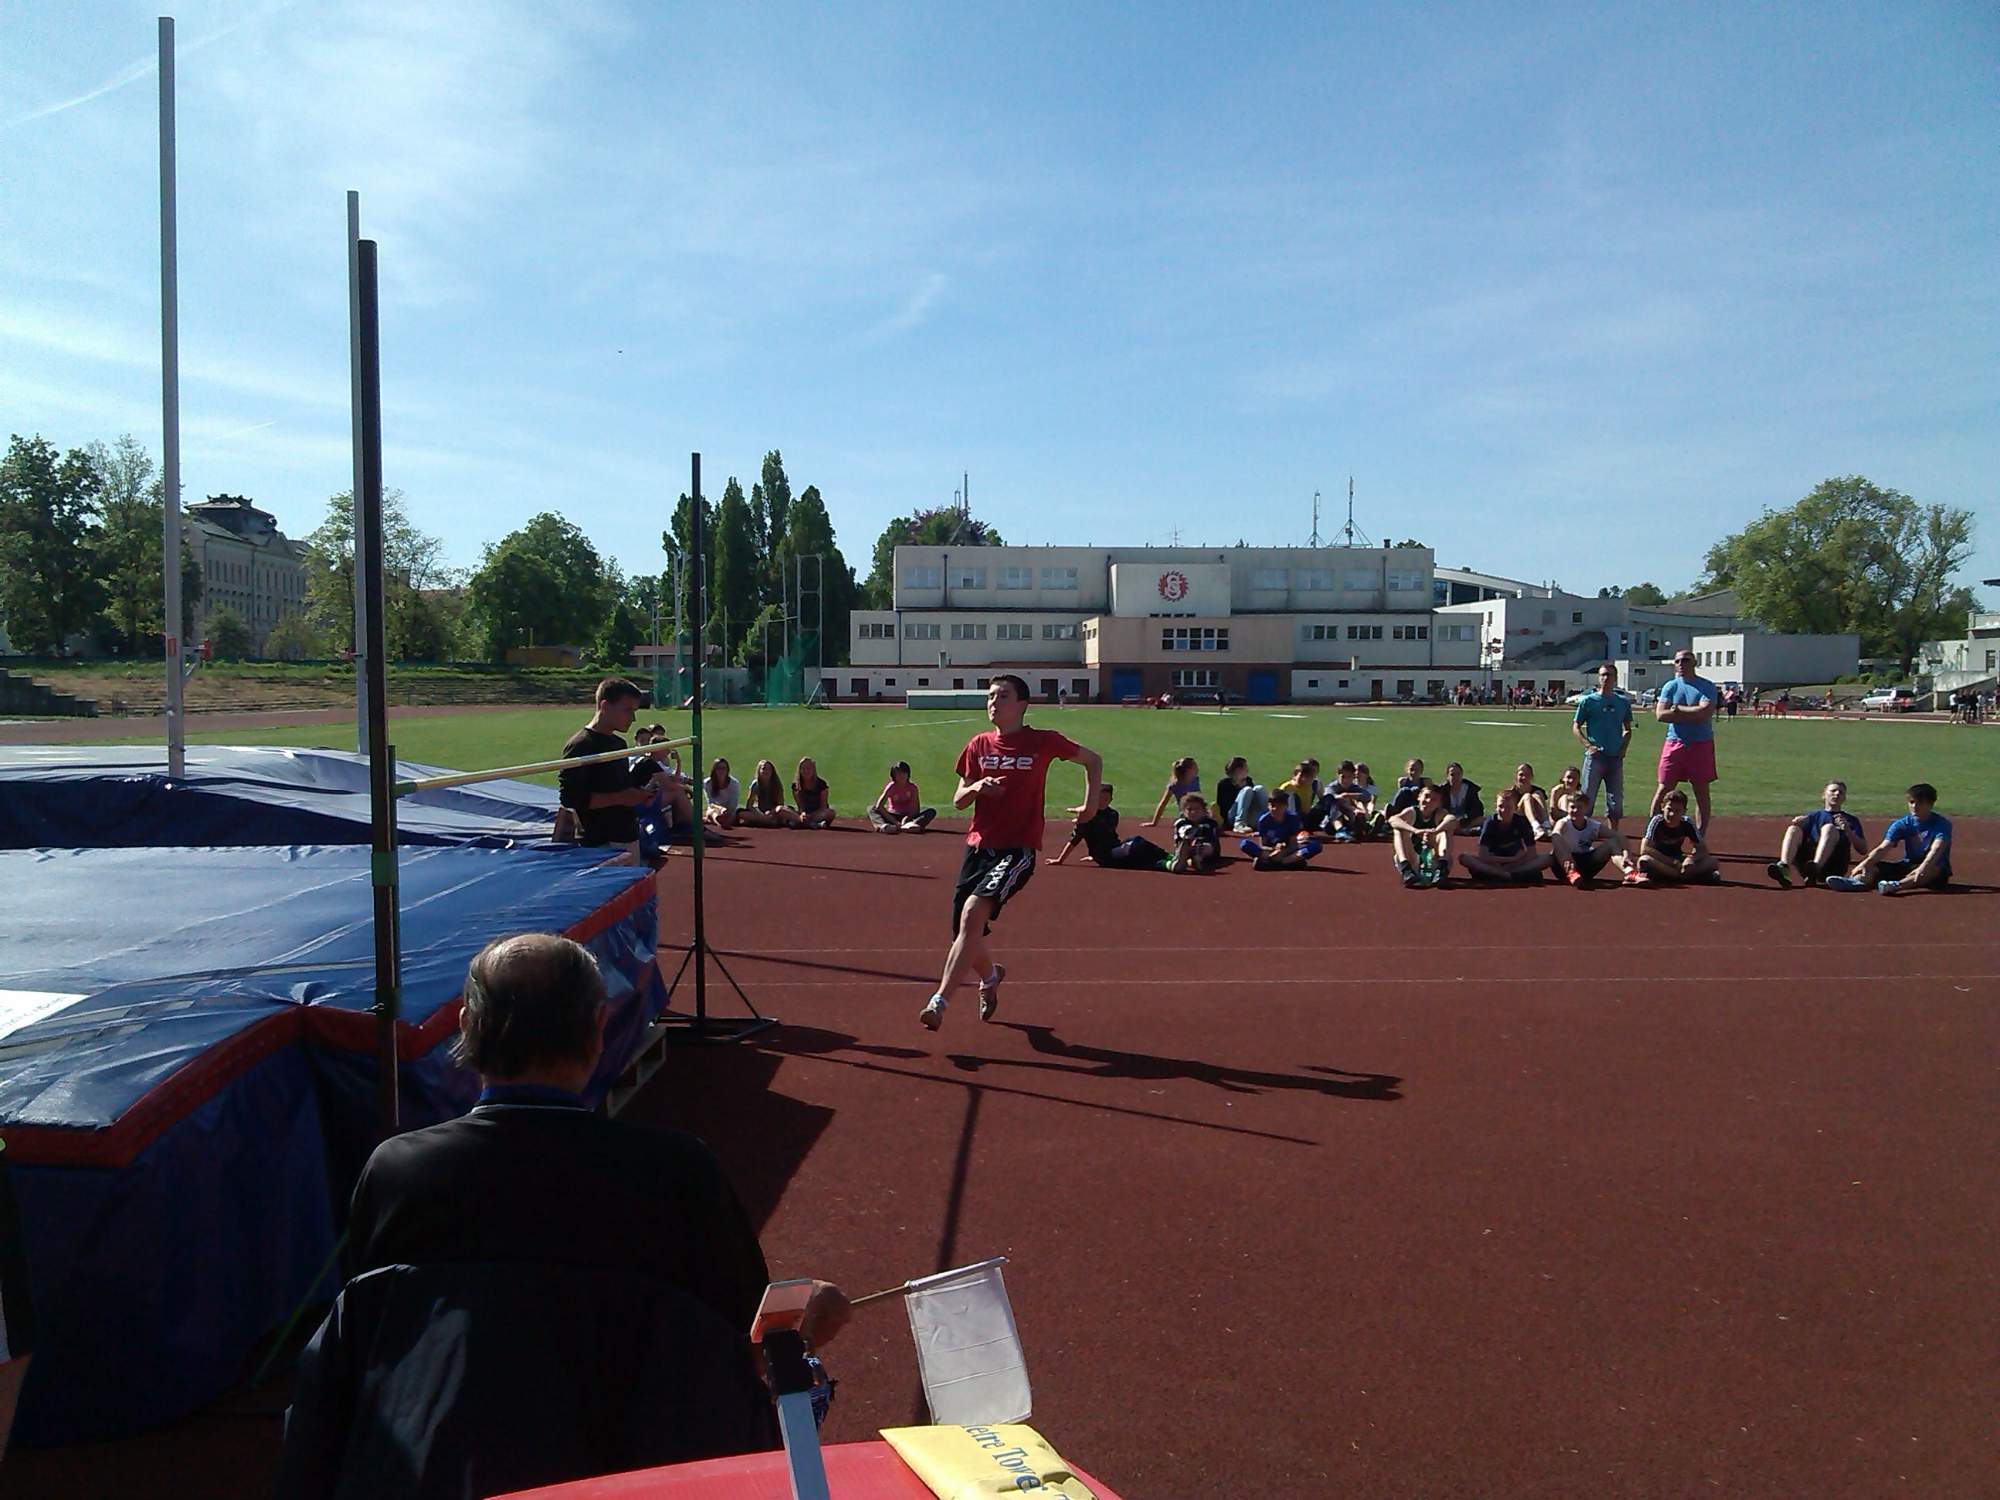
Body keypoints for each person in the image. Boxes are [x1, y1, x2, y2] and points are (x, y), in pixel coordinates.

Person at [921, 675, 1102, 1030]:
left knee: (973, 914)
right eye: (990, 696)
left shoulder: (1043, 741)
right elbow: (958, 801)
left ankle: (938, 1002)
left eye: (1002, 696)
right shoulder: (978, 745)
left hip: (1017, 849)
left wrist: (1091, 806)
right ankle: (990, 977)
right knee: (965, 934)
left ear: (1022, 704)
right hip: (978, 847)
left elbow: (1093, 761)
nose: (993, 702)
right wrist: (977, 786)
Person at [557, 677, 667, 857]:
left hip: (627, 836)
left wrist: (640, 795)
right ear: (605, 706)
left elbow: (621, 786)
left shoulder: (618, 743)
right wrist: (622, 798)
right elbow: (570, 799)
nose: (633, 718)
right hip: (600, 844)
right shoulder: (581, 745)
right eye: (627, 710)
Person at [1826, 783, 1953, 895]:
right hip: (1908, 865)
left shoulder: (1941, 824)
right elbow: (1883, 848)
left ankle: (1896, 886)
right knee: (1872, 867)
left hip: (1934, 867)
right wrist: (1864, 864)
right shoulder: (1902, 823)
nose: (1914, 806)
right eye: (1911, 802)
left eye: (1920, 803)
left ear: (1930, 804)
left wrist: (1922, 867)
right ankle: (1856, 882)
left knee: (1930, 871)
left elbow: (1937, 849)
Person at [1651, 649, 1720, 836]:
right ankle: (1653, 833)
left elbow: (1704, 713)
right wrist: (1690, 712)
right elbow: (1660, 715)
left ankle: (1699, 836)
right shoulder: (1670, 686)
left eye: (1686, 660)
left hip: (1700, 744)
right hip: (1674, 742)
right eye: (1678, 661)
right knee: (1663, 788)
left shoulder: (1706, 686)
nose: (1681, 664)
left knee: (1701, 791)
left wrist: (1677, 710)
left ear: (1694, 663)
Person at [1571, 664, 1634, 833]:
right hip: (1595, 758)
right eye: (1603, 675)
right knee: (1587, 798)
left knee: (1615, 800)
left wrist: (1623, 748)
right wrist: (1588, 745)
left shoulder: (1622, 703)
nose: (1606, 678)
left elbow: (1627, 729)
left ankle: (1613, 834)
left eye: (1609, 675)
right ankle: (1583, 833)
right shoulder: (1588, 701)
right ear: (1599, 678)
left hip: (1615, 758)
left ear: (1615, 678)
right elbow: (1576, 726)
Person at [1048, 784, 1168, 870]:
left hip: (1114, 849)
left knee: (1137, 846)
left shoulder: (1113, 814)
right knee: (1137, 846)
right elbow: (1074, 839)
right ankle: (1166, 862)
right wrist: (1060, 860)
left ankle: (1168, 857)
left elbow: (1109, 836)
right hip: (1106, 855)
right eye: (1100, 798)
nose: (1102, 802)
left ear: (1111, 799)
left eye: (1106, 799)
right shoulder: (1087, 817)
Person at [1768, 781, 1865, 887]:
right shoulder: (1811, 816)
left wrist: (1848, 830)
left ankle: (1816, 869)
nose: (1837, 794)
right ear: (1824, 795)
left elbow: (1863, 849)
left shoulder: (1850, 819)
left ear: (1844, 798)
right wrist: (1797, 824)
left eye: (1840, 792)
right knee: (1793, 829)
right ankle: (1784, 867)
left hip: (1835, 864)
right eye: (1833, 791)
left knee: (1829, 828)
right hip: (1808, 864)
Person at [1459, 788, 1553, 882]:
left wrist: (1513, 863)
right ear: (1495, 807)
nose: (1504, 810)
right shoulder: (1490, 823)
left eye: (1509, 807)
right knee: (1464, 858)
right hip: (1494, 862)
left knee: (1548, 858)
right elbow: (1483, 856)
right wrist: (1512, 859)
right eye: (1501, 806)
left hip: (1516, 864)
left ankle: (1501, 874)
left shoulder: (1522, 822)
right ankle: (1510, 875)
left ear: (1515, 808)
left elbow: (1531, 854)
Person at [1634, 788, 1719, 884]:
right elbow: (1645, 849)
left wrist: (1691, 859)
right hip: (1661, 861)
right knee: (1644, 860)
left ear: (1684, 811)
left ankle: (1674, 875)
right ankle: (1687, 876)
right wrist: (1672, 862)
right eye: (1669, 809)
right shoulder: (1656, 821)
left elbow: (1702, 849)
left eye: (1677, 811)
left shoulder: (1687, 823)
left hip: (1678, 861)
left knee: (1713, 861)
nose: (1672, 814)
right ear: (1662, 807)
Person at [1549, 792, 1634, 886]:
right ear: (1567, 808)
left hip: (1586, 865)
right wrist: (1567, 859)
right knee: (1555, 844)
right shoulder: (1563, 823)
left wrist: (1627, 854)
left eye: (1579, 807)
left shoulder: (1592, 825)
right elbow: (1555, 835)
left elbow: (1619, 836)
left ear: (1586, 808)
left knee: (1612, 843)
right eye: (1572, 807)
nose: (1575, 810)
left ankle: (1630, 872)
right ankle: (1571, 872)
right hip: (1564, 866)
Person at [1387, 780, 1458, 888]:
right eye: (1426, 796)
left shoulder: (1440, 814)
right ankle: (1406, 869)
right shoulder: (1412, 812)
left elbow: (1452, 820)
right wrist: (1415, 831)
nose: (1428, 801)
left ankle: (1441, 869)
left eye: (1434, 799)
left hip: (1434, 858)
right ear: (1419, 797)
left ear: (1439, 803)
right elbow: (1393, 819)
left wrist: (1435, 831)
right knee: (1399, 829)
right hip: (1412, 860)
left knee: (1445, 830)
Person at [1238, 787, 1320, 869]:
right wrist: (1274, 849)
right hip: (1271, 850)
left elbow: (1293, 844)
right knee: (1244, 844)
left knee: (1315, 846)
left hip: (1287, 851)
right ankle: (1286, 862)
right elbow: (1263, 845)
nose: (1275, 809)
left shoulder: (1293, 819)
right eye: (1272, 806)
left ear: (1286, 806)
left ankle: (1276, 862)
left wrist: (1283, 850)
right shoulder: (1263, 821)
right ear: (1268, 806)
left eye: (1279, 806)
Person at [869, 761, 936, 833]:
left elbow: (916, 809)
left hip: (909, 816)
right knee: (872, 809)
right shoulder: (891, 787)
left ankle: (912, 825)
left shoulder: (913, 787)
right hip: (893, 815)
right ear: (893, 775)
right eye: (898, 773)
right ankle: (884, 826)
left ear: (908, 774)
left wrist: (906, 819)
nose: (901, 775)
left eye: (903, 772)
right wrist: (895, 822)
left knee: (931, 812)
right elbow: (879, 806)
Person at [1170, 792, 1222, 873]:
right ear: (1183, 811)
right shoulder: (1181, 823)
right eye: (1189, 809)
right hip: (1186, 847)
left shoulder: (1210, 822)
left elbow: (1207, 834)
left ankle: (1197, 859)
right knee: (1185, 843)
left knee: (1205, 846)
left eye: (1197, 809)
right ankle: (1183, 860)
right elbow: (1184, 833)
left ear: (1204, 811)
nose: (1193, 812)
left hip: (1206, 849)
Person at [738, 759, 798, 828]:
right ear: (759, 771)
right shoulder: (755, 784)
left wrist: (771, 812)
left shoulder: (776, 784)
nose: (766, 771)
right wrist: (761, 814)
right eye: (763, 769)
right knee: (741, 813)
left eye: (769, 769)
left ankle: (767, 821)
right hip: (760, 812)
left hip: (774, 812)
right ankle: (768, 821)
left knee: (781, 810)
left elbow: (780, 804)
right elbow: (749, 805)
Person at [1143, 756, 1200, 827]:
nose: (1197, 769)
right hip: (1187, 814)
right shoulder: (1174, 785)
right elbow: (1163, 803)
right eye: (1194, 767)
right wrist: (1154, 822)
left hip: (1199, 813)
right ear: (1188, 770)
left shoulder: (1195, 780)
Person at [791, 757, 836, 828]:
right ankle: (814, 824)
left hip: (818, 813)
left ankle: (803, 823)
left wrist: (810, 816)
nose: (806, 771)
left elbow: (823, 806)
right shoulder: (796, 786)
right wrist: (803, 813)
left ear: (813, 770)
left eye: (809, 768)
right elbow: (800, 806)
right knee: (782, 810)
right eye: (803, 768)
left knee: (831, 812)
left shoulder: (821, 785)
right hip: (804, 813)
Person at [1214, 756, 1257, 829]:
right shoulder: (1224, 784)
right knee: (1247, 790)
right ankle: (1239, 822)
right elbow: (1223, 805)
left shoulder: (1248, 781)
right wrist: (1240, 789)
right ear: (1238, 770)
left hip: (1248, 815)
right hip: (1232, 816)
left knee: (1259, 789)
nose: (1247, 770)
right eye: (1245, 768)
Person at [701, 757, 741, 831]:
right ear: (714, 770)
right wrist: (721, 809)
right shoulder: (707, 783)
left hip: (729, 811)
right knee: (712, 813)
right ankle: (719, 822)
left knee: (734, 815)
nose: (721, 771)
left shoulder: (734, 783)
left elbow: (733, 804)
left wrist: (725, 811)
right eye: (719, 768)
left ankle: (717, 821)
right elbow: (711, 803)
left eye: (724, 768)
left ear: (727, 770)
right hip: (715, 809)